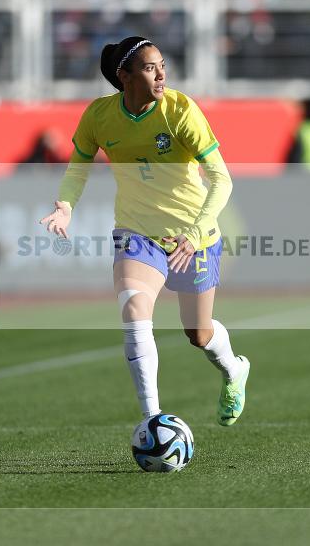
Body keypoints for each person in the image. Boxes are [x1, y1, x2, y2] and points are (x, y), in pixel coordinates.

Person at [39, 36, 250, 426]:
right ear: (125, 76)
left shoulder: (181, 110)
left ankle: (234, 371)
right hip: (137, 232)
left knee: (198, 334)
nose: (162, 73)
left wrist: (194, 231)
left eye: (162, 65)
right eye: (151, 67)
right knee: (135, 311)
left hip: (194, 235)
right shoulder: (99, 117)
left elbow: (222, 180)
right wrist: (65, 206)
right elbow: (78, 168)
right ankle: (153, 419)